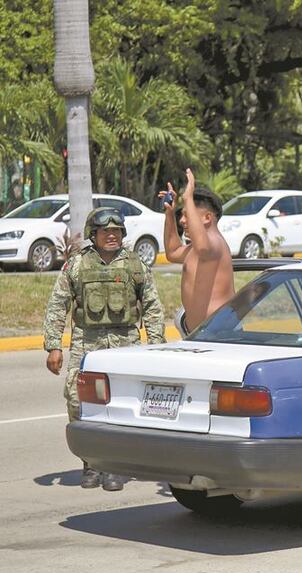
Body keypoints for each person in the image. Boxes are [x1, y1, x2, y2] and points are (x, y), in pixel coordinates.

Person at [43, 206, 165, 490]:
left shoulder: (135, 265)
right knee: (77, 401)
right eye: (105, 232)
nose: (111, 236)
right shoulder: (76, 264)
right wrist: (53, 345)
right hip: (87, 342)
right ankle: (90, 463)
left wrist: (156, 348)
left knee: (124, 405)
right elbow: (57, 304)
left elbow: (153, 308)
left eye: (116, 231)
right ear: (93, 235)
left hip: (127, 345)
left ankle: (116, 465)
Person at [161, 169, 234, 335]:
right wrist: (169, 214)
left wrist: (187, 198)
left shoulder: (216, 244)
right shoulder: (195, 248)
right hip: (198, 334)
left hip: (220, 335)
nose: (182, 221)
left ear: (207, 218)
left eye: (188, 215)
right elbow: (172, 253)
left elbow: (203, 248)